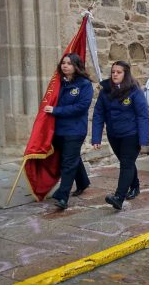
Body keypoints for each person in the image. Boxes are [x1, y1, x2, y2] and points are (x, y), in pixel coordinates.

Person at [92, 61, 149, 210]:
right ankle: (135, 186)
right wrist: (96, 138)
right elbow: (98, 114)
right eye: (113, 72)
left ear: (126, 74)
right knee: (127, 162)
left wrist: (143, 138)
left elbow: (142, 115)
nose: (115, 74)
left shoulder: (134, 90)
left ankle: (119, 197)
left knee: (126, 164)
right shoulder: (105, 91)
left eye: (119, 72)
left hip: (131, 134)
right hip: (114, 135)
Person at [44, 53, 93, 210]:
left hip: (75, 129)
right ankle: (83, 182)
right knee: (71, 158)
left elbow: (81, 107)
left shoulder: (84, 85)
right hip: (58, 130)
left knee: (68, 162)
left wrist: (56, 110)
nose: (65, 66)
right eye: (63, 63)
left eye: (69, 63)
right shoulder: (58, 84)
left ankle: (62, 196)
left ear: (76, 66)